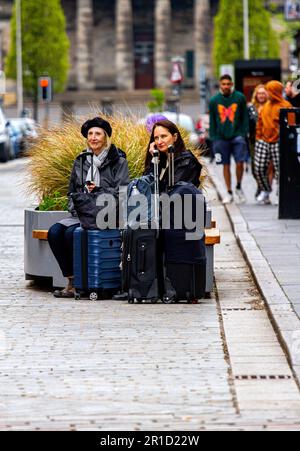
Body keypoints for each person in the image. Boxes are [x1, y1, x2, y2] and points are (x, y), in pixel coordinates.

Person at [48, 117, 130, 298]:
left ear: (106, 137)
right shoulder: (81, 161)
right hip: (82, 212)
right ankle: (71, 280)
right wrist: (75, 207)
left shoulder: (119, 161)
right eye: (90, 134)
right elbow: (72, 191)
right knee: (54, 232)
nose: (93, 137)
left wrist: (98, 190)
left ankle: (81, 282)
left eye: (98, 134)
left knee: (72, 234)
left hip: (106, 214)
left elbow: (122, 193)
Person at [209, 74, 249, 204]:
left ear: (232, 84)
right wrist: (214, 137)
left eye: (228, 84)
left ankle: (238, 186)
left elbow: (245, 117)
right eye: (223, 84)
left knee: (240, 162)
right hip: (220, 138)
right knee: (225, 164)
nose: (226, 86)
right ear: (220, 85)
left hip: (237, 135)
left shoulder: (240, 98)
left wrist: (244, 133)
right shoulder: (214, 100)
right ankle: (229, 192)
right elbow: (212, 120)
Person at [254, 81, 292, 205]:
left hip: (279, 142)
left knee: (280, 169)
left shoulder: (286, 105)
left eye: (269, 91)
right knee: (259, 168)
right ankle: (265, 189)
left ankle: (280, 193)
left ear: (274, 92)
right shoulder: (265, 106)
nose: (266, 93)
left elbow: (292, 124)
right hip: (263, 140)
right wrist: (259, 136)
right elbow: (259, 122)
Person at [144, 119, 203, 190]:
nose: (159, 142)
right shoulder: (161, 160)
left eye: (163, 136)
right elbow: (145, 185)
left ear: (175, 137)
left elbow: (173, 192)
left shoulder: (186, 161)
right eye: (156, 138)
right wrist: (155, 159)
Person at [248, 84, 269, 198]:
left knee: (267, 166)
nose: (261, 95)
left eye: (263, 93)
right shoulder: (251, 108)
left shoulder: (270, 106)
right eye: (259, 93)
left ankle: (265, 190)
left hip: (268, 139)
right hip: (254, 140)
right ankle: (260, 185)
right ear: (256, 95)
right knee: (254, 167)